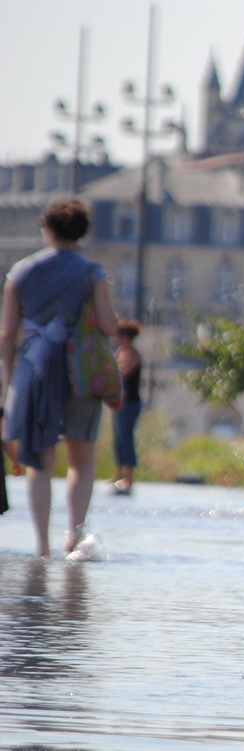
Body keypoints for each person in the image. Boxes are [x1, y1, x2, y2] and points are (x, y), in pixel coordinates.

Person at [0, 198, 120, 557]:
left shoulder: (20, 272)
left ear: (47, 229)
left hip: (34, 368)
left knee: (39, 460)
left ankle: (42, 545)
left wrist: (9, 380)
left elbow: (7, 334)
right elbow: (109, 325)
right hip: (78, 370)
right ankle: (74, 537)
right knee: (82, 458)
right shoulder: (91, 273)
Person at [110, 319, 143, 496]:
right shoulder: (120, 352)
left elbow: (123, 373)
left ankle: (128, 478)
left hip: (130, 403)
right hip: (119, 402)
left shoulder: (133, 354)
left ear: (125, 337)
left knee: (126, 438)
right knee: (117, 439)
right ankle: (118, 474)